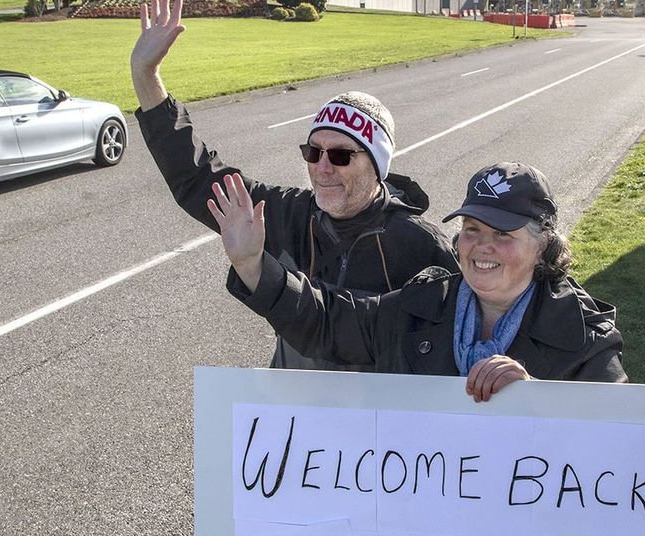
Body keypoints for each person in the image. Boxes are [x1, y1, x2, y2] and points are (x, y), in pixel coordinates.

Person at [129, 0, 458, 369]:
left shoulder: (421, 245)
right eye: (312, 152)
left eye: (340, 156)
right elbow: (197, 177)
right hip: (295, 417)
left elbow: (464, 339)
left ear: (377, 165)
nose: (322, 168)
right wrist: (145, 74)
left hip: (375, 421)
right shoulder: (287, 214)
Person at [210, 162, 627, 402]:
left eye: (503, 235)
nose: (482, 247)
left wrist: (536, 400)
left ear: (544, 246)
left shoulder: (584, 336)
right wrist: (251, 264)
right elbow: (327, 320)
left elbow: (622, 454)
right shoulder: (422, 304)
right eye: (472, 229)